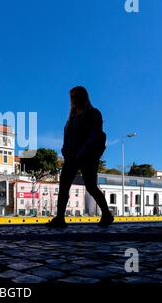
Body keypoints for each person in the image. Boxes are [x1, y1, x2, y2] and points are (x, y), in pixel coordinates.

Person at [47, 86, 114, 228]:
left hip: (88, 156)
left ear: (83, 96)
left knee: (90, 187)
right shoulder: (71, 117)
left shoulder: (94, 113)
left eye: (76, 95)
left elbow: (94, 135)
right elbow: (67, 137)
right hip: (71, 157)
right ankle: (60, 218)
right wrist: (65, 150)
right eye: (71, 96)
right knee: (64, 186)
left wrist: (82, 151)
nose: (73, 99)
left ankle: (107, 214)